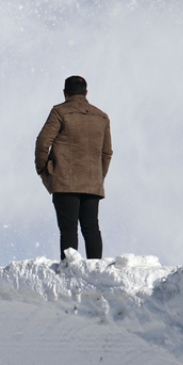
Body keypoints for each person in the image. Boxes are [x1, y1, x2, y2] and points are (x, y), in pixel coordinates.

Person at [35, 75, 112, 259]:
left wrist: (44, 170)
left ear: (65, 93)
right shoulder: (101, 117)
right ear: (86, 93)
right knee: (91, 228)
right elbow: (106, 153)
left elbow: (43, 141)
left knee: (68, 229)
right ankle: (96, 269)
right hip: (92, 183)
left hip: (64, 180)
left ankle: (70, 270)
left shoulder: (60, 112)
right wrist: (98, 177)